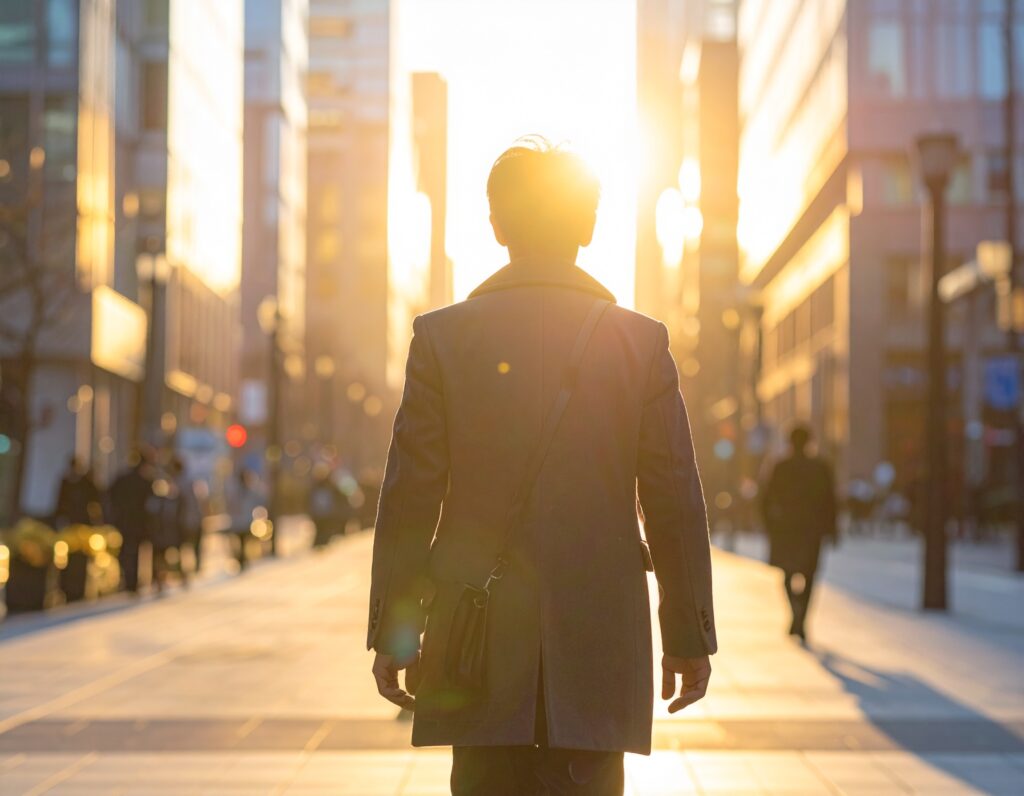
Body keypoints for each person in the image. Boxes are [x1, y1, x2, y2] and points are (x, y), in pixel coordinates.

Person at [368, 137, 717, 795]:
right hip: (598, 640)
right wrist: (687, 633)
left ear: (496, 225)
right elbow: (673, 495)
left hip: (474, 638)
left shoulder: (441, 338)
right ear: (588, 224)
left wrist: (395, 627)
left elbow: (411, 493)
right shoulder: (639, 343)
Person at [761, 424, 838, 643]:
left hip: (786, 530)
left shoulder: (781, 467)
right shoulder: (820, 467)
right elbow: (830, 501)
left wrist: (770, 525)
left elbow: (766, 499)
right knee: (809, 574)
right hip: (811, 530)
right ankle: (801, 617)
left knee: (787, 573)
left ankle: (797, 614)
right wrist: (831, 529)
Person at [108, 452, 155, 594]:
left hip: (124, 521)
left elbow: (110, 496)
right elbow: (151, 504)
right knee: (137, 552)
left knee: (125, 552)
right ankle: (133, 581)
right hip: (139, 523)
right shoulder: (145, 482)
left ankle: (126, 579)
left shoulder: (122, 479)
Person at [228, 468, 265, 571]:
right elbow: (260, 500)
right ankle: (242, 559)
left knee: (242, 542)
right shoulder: (246, 490)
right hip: (243, 521)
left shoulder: (237, 491)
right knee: (242, 542)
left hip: (241, 521)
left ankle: (242, 559)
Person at [54, 457, 103, 528]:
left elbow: (94, 500)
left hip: (83, 518)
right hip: (69, 517)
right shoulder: (66, 483)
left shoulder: (86, 483)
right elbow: (61, 501)